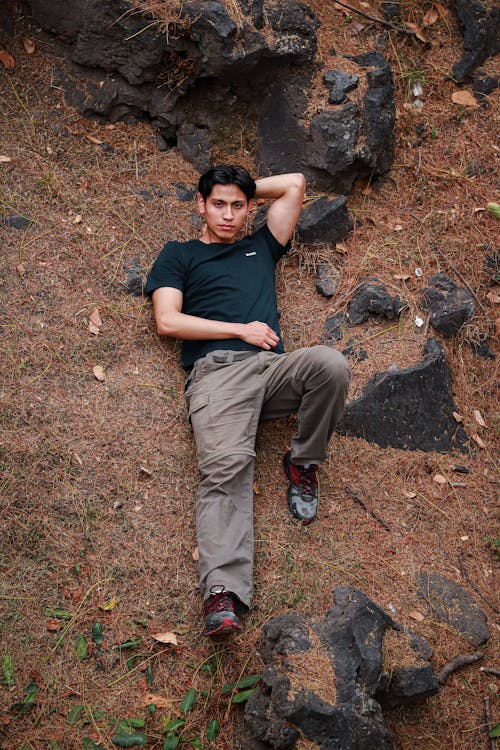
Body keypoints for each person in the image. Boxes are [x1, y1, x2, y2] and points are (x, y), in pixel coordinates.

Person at [145, 165, 350, 640]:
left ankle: (302, 463)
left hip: (273, 368)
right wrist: (240, 330)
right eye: (217, 203)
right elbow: (168, 322)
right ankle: (222, 592)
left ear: (250, 207)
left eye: (238, 206)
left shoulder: (262, 246)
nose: (228, 214)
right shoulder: (179, 255)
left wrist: (243, 190)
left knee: (331, 366)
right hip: (218, 372)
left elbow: (296, 183)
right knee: (226, 467)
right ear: (200, 205)